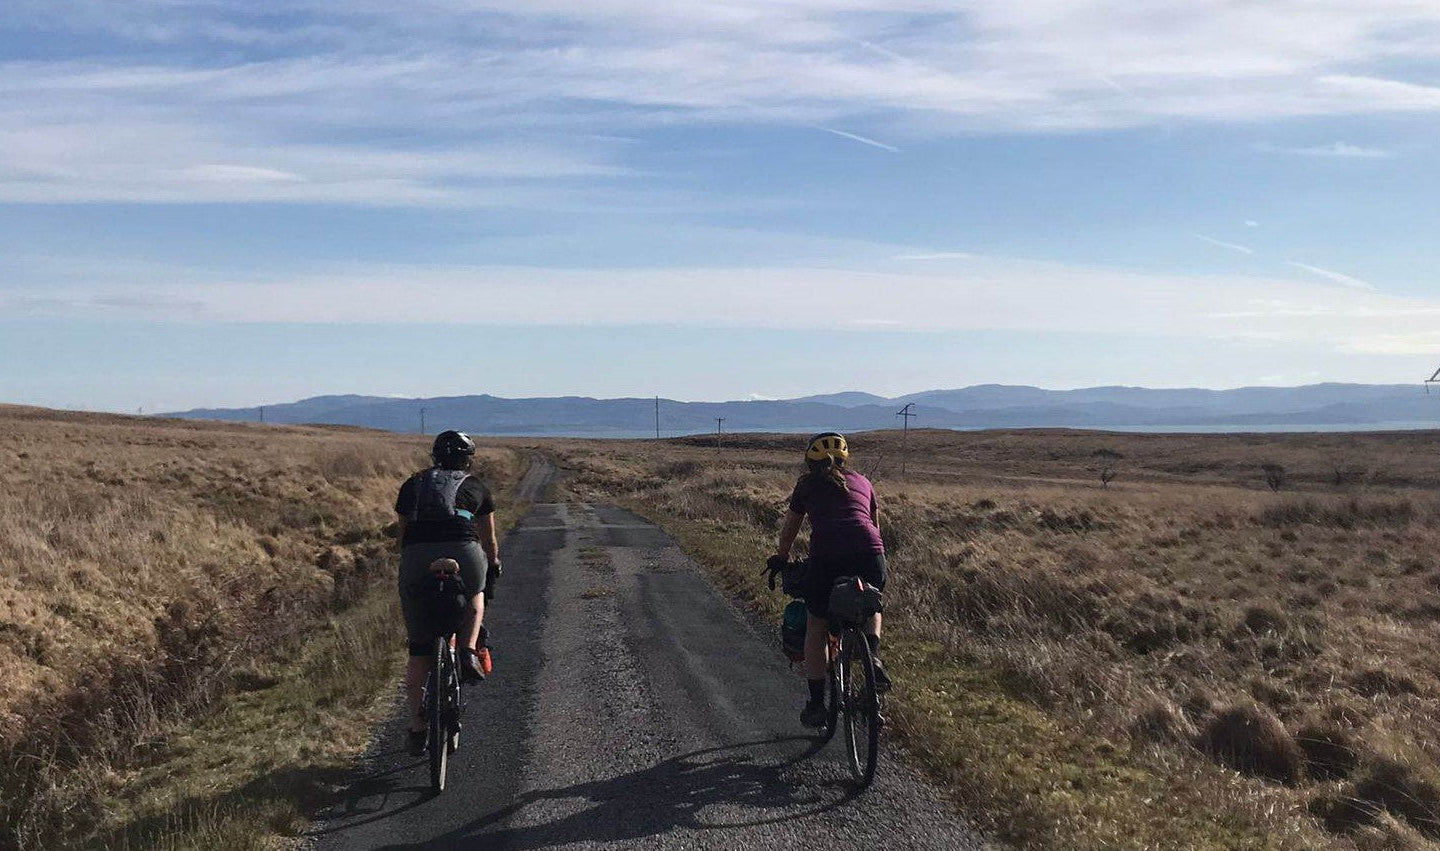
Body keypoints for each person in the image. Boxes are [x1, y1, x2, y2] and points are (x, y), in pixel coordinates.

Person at [773, 432, 890, 728]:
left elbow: (790, 527)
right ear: (844, 459)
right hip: (871, 552)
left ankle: (816, 705)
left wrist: (781, 557)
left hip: (828, 556)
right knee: (872, 604)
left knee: (817, 623)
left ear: (810, 462)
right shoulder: (863, 481)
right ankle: (873, 657)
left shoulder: (807, 485)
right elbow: (874, 526)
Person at [395, 430, 501, 755]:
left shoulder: (412, 485)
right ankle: (468, 650)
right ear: (468, 459)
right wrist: (493, 564)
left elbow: (402, 534)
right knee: (475, 593)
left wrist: (413, 559)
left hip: (417, 556)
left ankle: (416, 726)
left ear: (434, 457)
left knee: (418, 649)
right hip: (463, 549)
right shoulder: (475, 486)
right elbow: (489, 541)